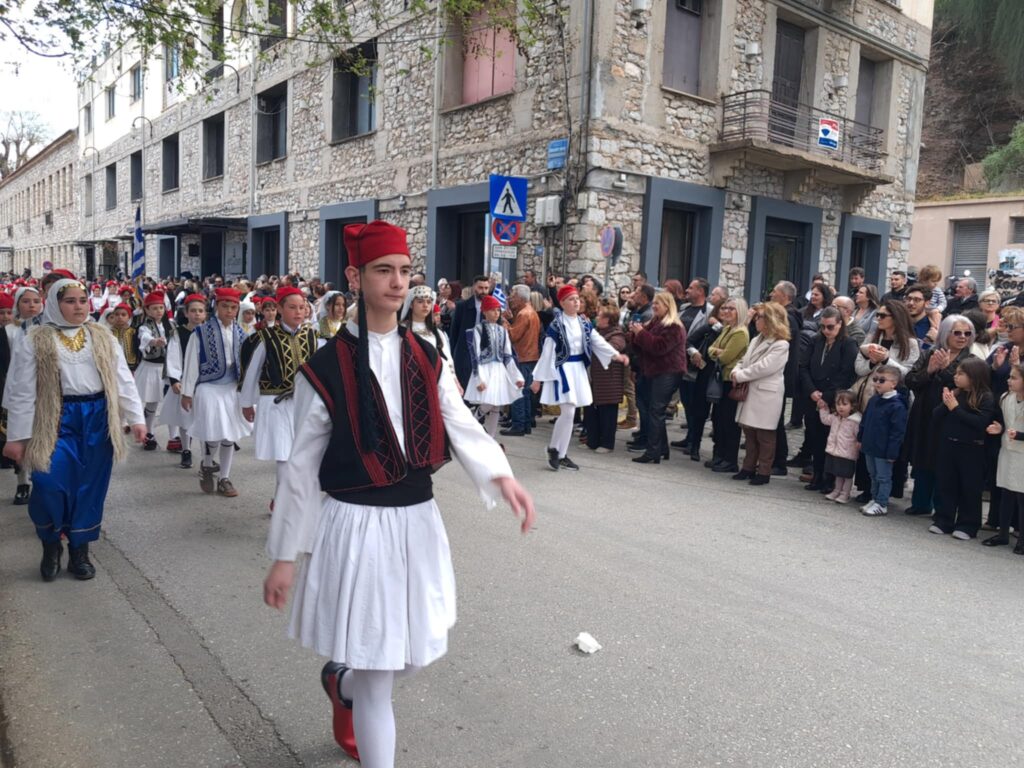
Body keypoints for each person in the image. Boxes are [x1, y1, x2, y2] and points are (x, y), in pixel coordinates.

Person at [262, 220, 534, 768]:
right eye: (383, 270)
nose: (396, 282)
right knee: (379, 672)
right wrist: (285, 555)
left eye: (404, 271)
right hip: (357, 525)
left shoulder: (428, 353)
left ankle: (343, 686)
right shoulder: (323, 367)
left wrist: (499, 474)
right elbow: (301, 468)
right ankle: (357, 692)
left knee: (415, 651)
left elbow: (459, 420)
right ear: (354, 276)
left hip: (416, 521)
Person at [1, 279, 146, 581]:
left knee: (89, 487)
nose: (78, 306)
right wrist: (17, 437)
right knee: (49, 484)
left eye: (82, 300)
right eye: (70, 301)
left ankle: (80, 550)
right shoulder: (36, 339)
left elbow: (122, 379)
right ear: (55, 304)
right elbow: (22, 391)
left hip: (96, 419)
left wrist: (137, 418)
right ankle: (51, 543)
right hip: (54, 419)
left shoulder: (102, 336)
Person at [532, 285, 628, 471]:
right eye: (571, 299)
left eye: (577, 299)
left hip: (578, 370)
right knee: (568, 413)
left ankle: (561, 453)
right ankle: (554, 449)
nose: (576, 302)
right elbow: (548, 352)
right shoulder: (556, 325)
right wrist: (538, 378)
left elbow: (597, 342)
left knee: (571, 413)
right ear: (562, 303)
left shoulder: (584, 323)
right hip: (562, 370)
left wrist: (616, 355)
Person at [240, 286, 319, 505]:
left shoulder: (312, 336)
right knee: (284, 455)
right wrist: (246, 402)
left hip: (304, 404)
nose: (298, 312)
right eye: (292, 307)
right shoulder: (265, 337)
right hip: (275, 403)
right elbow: (252, 371)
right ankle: (283, 502)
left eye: (302, 307)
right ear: (279, 309)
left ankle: (282, 497)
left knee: (299, 455)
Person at [180, 287, 252, 498]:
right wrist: (187, 392)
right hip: (208, 386)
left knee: (229, 434)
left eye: (233, 307)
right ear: (216, 307)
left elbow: (248, 365)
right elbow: (191, 363)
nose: (229, 311)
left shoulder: (242, 333)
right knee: (213, 431)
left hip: (232, 387)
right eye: (225, 306)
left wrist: (249, 393)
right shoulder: (201, 333)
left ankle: (224, 478)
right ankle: (207, 462)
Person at [903, 315, 979, 516]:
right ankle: (920, 503)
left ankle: (941, 508)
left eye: (967, 333)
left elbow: (965, 387)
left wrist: (945, 370)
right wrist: (929, 371)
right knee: (922, 458)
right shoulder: (930, 353)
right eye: (957, 332)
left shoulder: (971, 361)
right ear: (945, 333)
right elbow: (910, 380)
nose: (962, 337)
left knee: (943, 462)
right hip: (924, 413)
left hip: (950, 416)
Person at [928, 357, 996, 538]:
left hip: (972, 448)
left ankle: (968, 525)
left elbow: (979, 423)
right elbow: (936, 416)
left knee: (969, 488)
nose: (956, 377)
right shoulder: (956, 392)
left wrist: (955, 408)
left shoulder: (985, 397)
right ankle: (944, 520)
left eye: (961, 374)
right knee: (946, 484)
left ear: (974, 376)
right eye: (956, 373)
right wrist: (946, 403)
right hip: (949, 444)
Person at [799, 306, 859, 492]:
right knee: (814, 436)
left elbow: (846, 373)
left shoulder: (848, 344)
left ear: (840, 324)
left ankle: (829, 479)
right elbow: (803, 367)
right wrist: (812, 391)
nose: (826, 331)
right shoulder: (816, 340)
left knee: (830, 439)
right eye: (823, 326)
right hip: (813, 395)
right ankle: (817, 475)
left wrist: (826, 396)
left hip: (833, 398)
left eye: (830, 327)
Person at [731, 302, 790, 486]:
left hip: (766, 394)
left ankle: (764, 471)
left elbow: (764, 367)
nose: (756, 320)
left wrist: (740, 375)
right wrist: (736, 370)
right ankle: (748, 467)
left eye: (760, 317)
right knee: (749, 432)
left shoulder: (781, 344)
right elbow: (745, 359)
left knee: (765, 436)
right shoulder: (757, 339)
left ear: (771, 319)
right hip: (751, 390)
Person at [627, 291, 687, 465]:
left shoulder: (674, 326)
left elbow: (659, 347)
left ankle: (653, 451)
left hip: (668, 372)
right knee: (654, 410)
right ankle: (661, 449)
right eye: (653, 303)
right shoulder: (655, 322)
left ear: (667, 306)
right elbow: (642, 346)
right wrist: (635, 333)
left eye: (657, 304)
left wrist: (641, 333)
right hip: (654, 371)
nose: (654, 307)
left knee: (656, 410)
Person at [464, 295, 524, 439]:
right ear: (484, 311)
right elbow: (475, 355)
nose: (496, 313)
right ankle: (473, 422)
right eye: (492, 310)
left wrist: (516, 376)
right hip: (484, 369)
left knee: (497, 405)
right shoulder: (478, 330)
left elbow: (508, 355)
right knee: (489, 402)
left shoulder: (502, 331)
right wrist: (479, 378)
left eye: (498, 310)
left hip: (499, 370)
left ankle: (491, 437)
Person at [160, 293, 206, 470]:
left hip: (204, 381)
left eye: (200, 311)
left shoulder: (209, 332)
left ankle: (206, 455)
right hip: (184, 379)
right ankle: (186, 450)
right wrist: (174, 379)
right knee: (185, 417)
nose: (197, 314)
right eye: (193, 311)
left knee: (203, 417)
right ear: (186, 313)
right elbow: (173, 356)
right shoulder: (178, 333)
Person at [705, 297, 750, 473]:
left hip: (731, 380)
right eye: (725, 308)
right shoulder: (727, 329)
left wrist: (717, 352)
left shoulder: (740, 332)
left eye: (731, 309)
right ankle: (719, 454)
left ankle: (729, 459)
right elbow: (711, 349)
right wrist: (717, 352)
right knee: (718, 419)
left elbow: (725, 357)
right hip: (721, 378)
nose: (726, 312)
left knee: (729, 421)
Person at [856, 365, 908, 517]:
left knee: (883, 477)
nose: (877, 383)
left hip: (883, 449)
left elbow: (897, 432)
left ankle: (882, 503)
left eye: (882, 380)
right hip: (870, 444)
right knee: (873, 475)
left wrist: (892, 452)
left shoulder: (897, 406)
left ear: (893, 383)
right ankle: (874, 498)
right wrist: (860, 438)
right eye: (875, 379)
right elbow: (865, 420)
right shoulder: (874, 400)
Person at [984, 363, 1024, 550]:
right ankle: (1002, 534)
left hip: (1022, 454)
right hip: (1007, 450)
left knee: (1022, 497)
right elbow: (1004, 422)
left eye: (1014, 378)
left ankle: (1022, 540)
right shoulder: (1005, 398)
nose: (1009, 381)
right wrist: (999, 428)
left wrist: (1020, 435)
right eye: (1009, 377)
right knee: (1006, 492)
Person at [584, 306, 626, 453]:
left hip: (608, 382)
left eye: (600, 316)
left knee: (607, 414)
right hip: (594, 379)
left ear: (607, 319)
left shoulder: (617, 334)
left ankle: (607, 444)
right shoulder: (597, 332)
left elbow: (613, 348)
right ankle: (592, 441)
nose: (597, 319)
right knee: (591, 412)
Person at [135, 291, 173, 451]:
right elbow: (145, 336)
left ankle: (174, 437)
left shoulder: (170, 324)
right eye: (155, 308)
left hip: (168, 368)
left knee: (171, 401)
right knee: (152, 402)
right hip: (152, 368)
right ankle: (149, 433)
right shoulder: (145, 327)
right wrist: (154, 341)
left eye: (161, 308)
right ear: (147, 310)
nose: (159, 311)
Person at [502, 284, 540, 437]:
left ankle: (518, 425)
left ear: (520, 297)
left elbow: (513, 336)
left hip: (522, 356)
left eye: (513, 295)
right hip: (530, 356)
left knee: (518, 391)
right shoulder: (531, 312)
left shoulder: (524, 314)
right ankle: (525, 424)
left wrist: (504, 321)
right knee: (525, 393)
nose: (510, 298)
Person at [816, 390, 861, 503]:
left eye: (844, 404)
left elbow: (859, 435)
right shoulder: (835, 417)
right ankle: (836, 490)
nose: (841, 407)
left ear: (852, 406)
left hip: (848, 452)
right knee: (838, 473)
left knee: (846, 475)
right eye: (838, 404)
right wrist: (823, 408)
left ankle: (845, 493)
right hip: (836, 450)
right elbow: (825, 420)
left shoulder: (855, 422)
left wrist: (859, 443)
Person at [448, 275, 491, 390]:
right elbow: (454, 332)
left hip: (484, 352)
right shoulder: (462, 306)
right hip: (464, 352)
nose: (483, 291)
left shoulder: (493, 308)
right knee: (465, 385)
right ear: (474, 288)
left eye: (486, 288)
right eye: (480, 288)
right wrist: (452, 354)